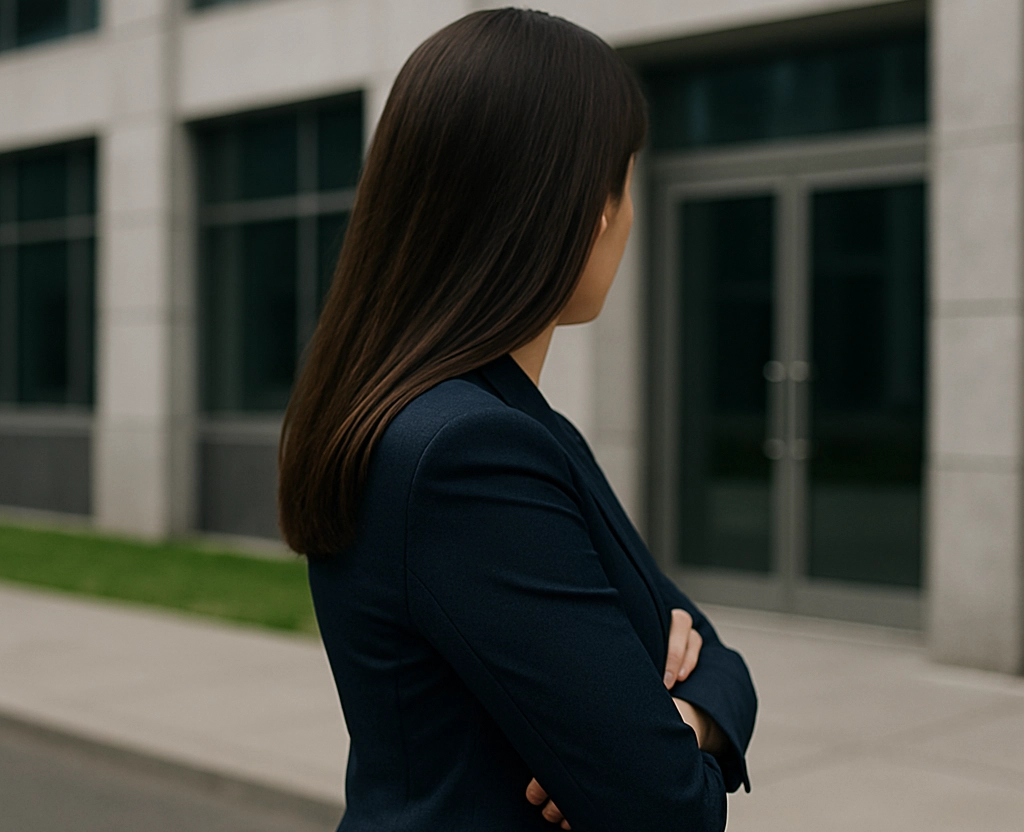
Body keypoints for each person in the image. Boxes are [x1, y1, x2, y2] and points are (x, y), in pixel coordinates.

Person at [277, 8, 757, 831]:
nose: (629, 216)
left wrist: (690, 719)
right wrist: (669, 738)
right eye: (629, 177)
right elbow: (667, 807)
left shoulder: (491, 421)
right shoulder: (466, 451)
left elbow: (705, 643)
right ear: (589, 211)